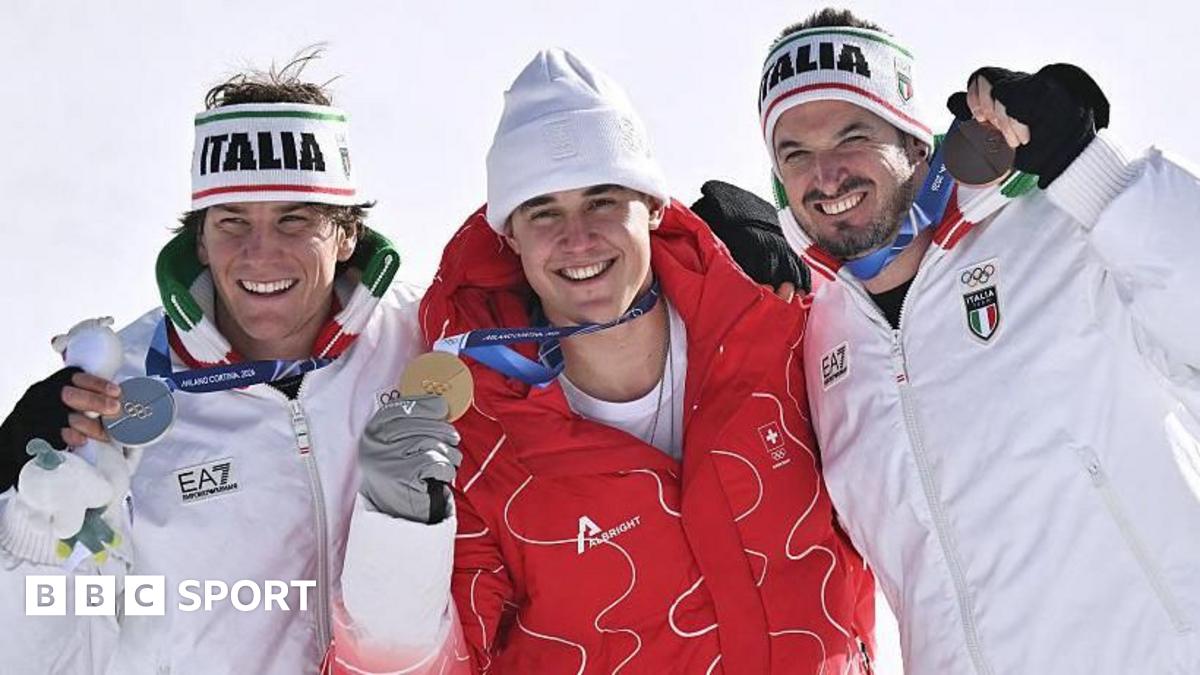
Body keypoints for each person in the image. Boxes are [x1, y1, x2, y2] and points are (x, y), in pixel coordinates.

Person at [713, 7, 1200, 673]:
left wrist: (1096, 174)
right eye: (795, 152)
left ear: (916, 141)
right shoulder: (815, 333)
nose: (825, 175)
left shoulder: (1058, 229)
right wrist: (709, 290)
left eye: (852, 136)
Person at [406, 47, 875, 674]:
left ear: (654, 206)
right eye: (544, 212)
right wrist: (391, 527)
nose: (578, 239)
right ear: (510, 236)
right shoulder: (479, 436)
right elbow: (423, 656)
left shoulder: (784, 335)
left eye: (603, 201)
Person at [0, 56, 463, 674]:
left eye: (294, 219)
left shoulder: (427, 345)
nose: (260, 253)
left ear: (347, 233)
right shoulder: (120, 394)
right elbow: (54, 653)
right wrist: (21, 524)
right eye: (232, 221)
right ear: (200, 238)